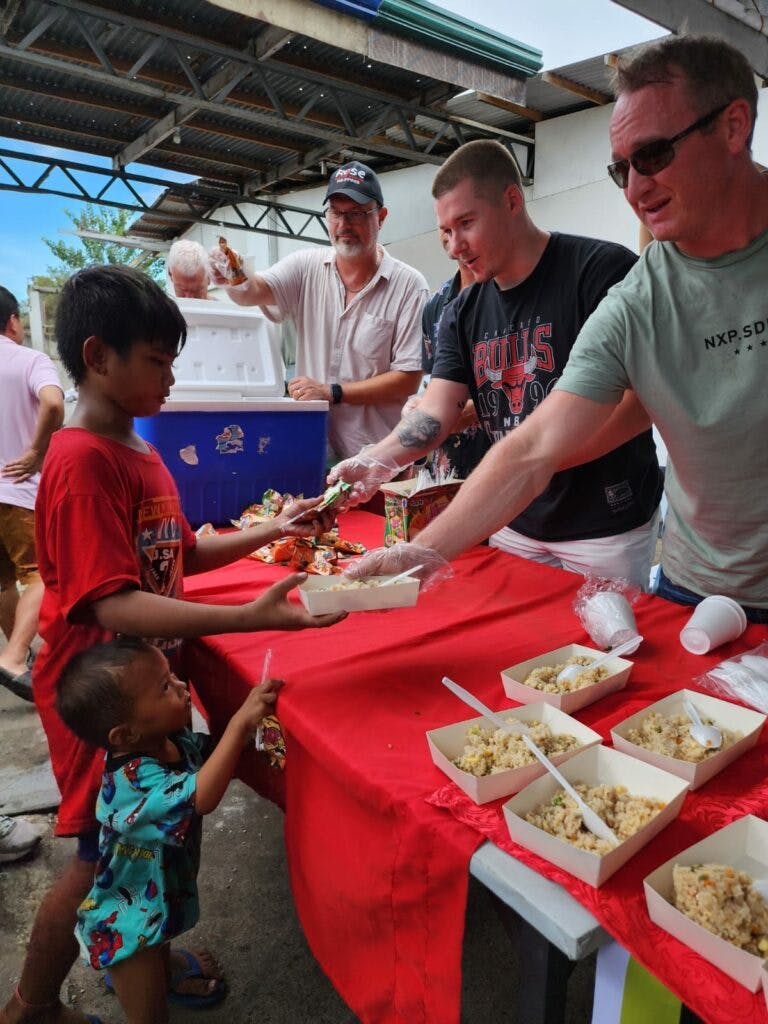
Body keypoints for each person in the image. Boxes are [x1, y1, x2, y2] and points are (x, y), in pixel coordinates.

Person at [0, 264, 344, 1024]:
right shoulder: (82, 462)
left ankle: (146, 954)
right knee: (99, 854)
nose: (171, 377)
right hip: (103, 702)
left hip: (145, 685)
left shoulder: (138, 448)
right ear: (98, 356)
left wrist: (272, 530)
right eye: (157, 361)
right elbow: (111, 601)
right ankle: (32, 1003)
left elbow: (182, 552)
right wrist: (251, 617)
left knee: (149, 843)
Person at [338, 35, 768, 625]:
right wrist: (418, 552)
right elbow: (532, 446)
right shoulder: (638, 297)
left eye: (653, 155)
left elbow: (623, 416)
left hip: (607, 525)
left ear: (733, 126)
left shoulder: (596, 269)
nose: (635, 190)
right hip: (692, 587)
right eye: (620, 169)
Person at [331, 140, 663, 586]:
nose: (455, 246)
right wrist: (375, 460)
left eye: (466, 223)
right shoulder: (462, 311)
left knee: (605, 633)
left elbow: (639, 406)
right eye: (445, 231)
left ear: (511, 201)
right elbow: (435, 412)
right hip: (513, 521)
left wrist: (532, 464)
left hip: (604, 525)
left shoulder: (600, 271)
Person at [55, 636, 281, 1023]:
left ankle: (163, 969)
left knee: (160, 936)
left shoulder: (167, 738)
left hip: (156, 895)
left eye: (172, 675)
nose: (181, 686)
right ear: (125, 734)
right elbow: (202, 796)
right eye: (164, 687)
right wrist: (239, 724)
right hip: (127, 922)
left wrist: (255, 738)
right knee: (150, 1015)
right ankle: (132, 976)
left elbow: (209, 756)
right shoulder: (131, 783)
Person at [213, 160, 427, 461]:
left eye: (356, 213)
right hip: (312, 453)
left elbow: (407, 378)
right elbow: (256, 290)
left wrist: (333, 392)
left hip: (378, 460)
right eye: (336, 213)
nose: (344, 225)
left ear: (381, 217)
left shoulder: (409, 286)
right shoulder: (305, 267)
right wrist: (234, 273)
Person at [0, 286, 64, 701]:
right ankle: (14, 657)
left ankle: (19, 657)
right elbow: (54, 404)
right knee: (40, 576)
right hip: (17, 492)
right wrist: (36, 453)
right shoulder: (29, 360)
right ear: (12, 321)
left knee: (3, 583)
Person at [419, 232, 489, 480]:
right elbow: (432, 381)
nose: (456, 238)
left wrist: (459, 412)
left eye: (465, 222)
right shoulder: (435, 304)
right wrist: (419, 408)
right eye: (445, 228)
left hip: (502, 468)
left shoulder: (511, 293)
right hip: (446, 472)